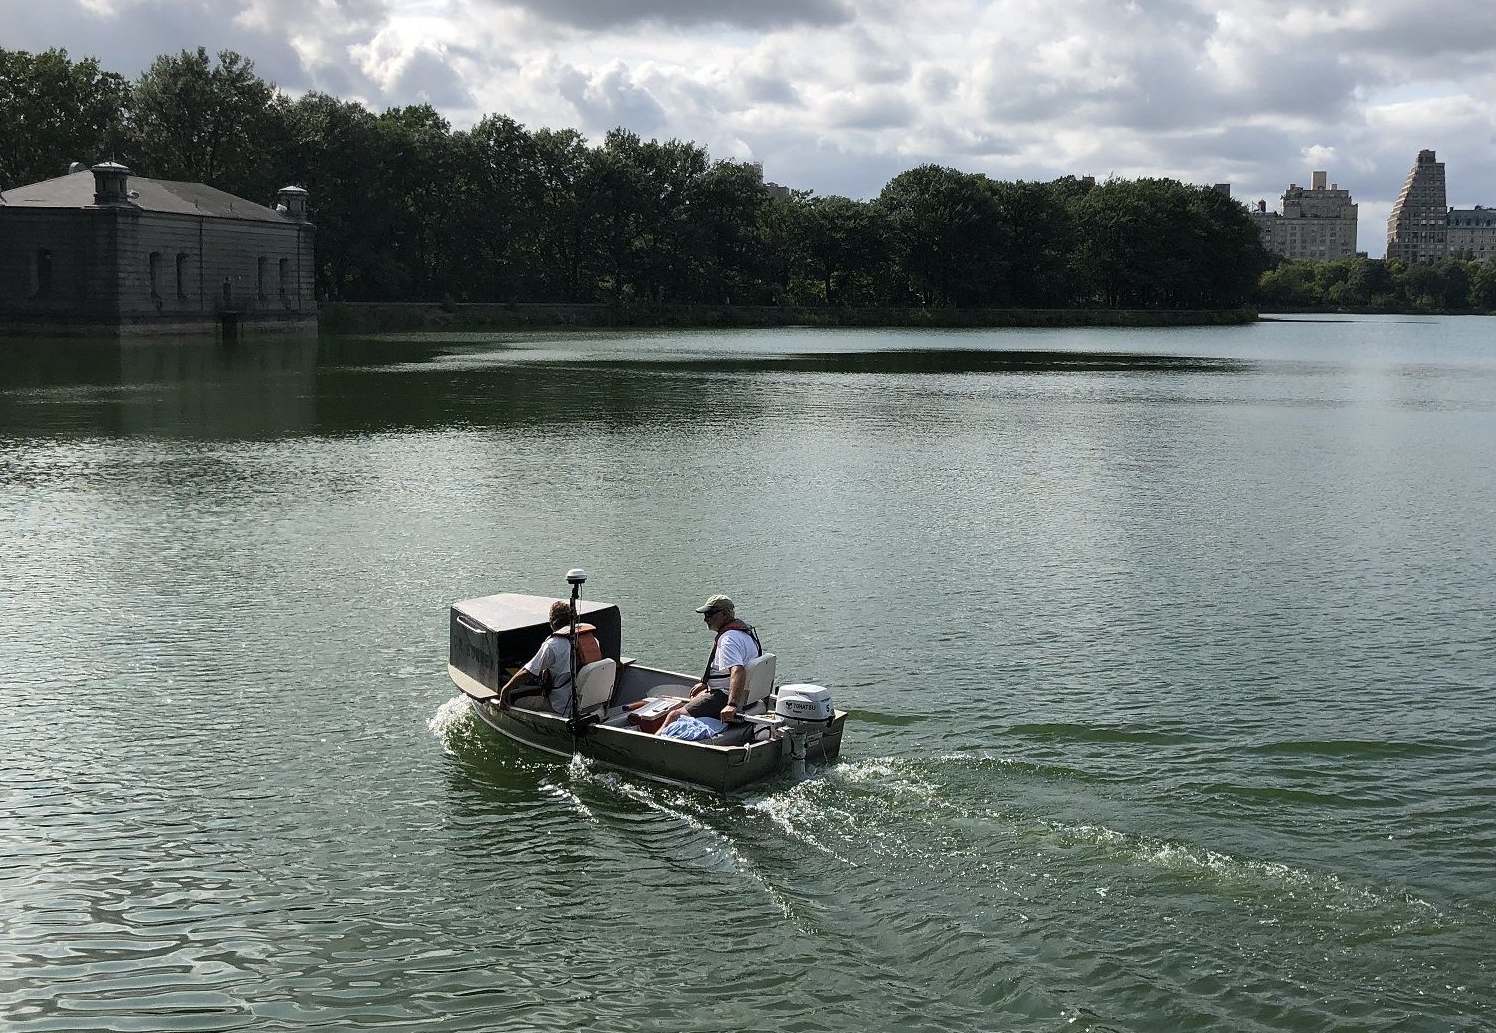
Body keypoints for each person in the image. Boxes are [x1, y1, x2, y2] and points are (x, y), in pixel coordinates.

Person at [656, 594, 762, 735]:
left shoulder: (728, 640)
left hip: (724, 696)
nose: (706, 619)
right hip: (746, 696)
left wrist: (731, 705)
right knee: (695, 696)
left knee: (674, 715)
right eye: (705, 614)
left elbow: (738, 670)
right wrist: (705, 682)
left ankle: (653, 741)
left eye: (710, 614)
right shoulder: (743, 633)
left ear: (724, 614)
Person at [499, 601, 599, 715]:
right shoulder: (592, 641)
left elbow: (528, 672)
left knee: (516, 701)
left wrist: (505, 689)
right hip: (589, 705)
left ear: (553, 623)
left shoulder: (553, 645)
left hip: (560, 707)